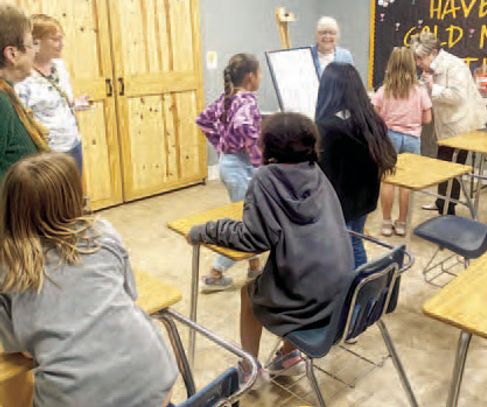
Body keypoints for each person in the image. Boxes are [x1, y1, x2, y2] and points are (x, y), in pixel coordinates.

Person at [0, 153, 178, 407]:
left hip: (74, 397)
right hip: (154, 377)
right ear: (73, 196)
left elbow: (21, 349)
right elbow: (130, 294)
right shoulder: (101, 232)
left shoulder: (9, 266)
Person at [188, 112, 354, 384]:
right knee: (279, 279)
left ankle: (249, 369)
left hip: (308, 297)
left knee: (249, 293)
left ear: (267, 145)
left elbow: (253, 239)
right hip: (341, 287)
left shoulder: (265, 177)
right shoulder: (316, 173)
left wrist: (206, 230)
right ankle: (289, 356)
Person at [316, 62, 396, 267]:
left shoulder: (326, 128)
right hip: (363, 199)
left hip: (337, 203)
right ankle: (362, 293)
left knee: (337, 250)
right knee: (355, 242)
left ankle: (348, 295)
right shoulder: (370, 120)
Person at [196, 53, 263, 293]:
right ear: (250, 77)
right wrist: (258, 161)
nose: (260, 78)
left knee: (244, 215)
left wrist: (221, 145)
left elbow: (203, 121)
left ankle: (255, 267)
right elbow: (245, 128)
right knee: (248, 224)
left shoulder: (226, 98)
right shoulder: (247, 100)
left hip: (228, 164)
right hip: (241, 167)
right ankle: (215, 273)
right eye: (260, 74)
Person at [410, 31, 487, 215]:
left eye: (421, 58)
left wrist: (431, 87)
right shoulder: (433, 67)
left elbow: (457, 96)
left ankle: (448, 209)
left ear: (433, 53)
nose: (418, 63)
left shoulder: (455, 66)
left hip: (461, 125)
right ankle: (442, 203)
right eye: (417, 58)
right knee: (444, 164)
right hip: (448, 123)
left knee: (451, 167)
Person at [373, 47, 432, 236]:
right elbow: (427, 119)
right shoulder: (420, 90)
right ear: (412, 65)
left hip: (389, 138)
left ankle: (386, 221)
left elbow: (374, 116)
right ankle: (402, 222)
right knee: (406, 183)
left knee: (387, 180)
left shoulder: (384, 90)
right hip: (413, 139)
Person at [16, 14, 86, 174]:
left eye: (61, 38)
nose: (61, 44)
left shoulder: (60, 66)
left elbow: (60, 99)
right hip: (48, 151)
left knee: (73, 194)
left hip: (72, 142)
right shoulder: (24, 77)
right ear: (36, 42)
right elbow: (23, 118)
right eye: (55, 39)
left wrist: (74, 103)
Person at [0, 3, 49, 180]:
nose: (35, 51)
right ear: (12, 54)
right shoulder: (1, 103)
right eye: (31, 44)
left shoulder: (8, 92)